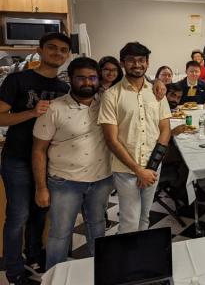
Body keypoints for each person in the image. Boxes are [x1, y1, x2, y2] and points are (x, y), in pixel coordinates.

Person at [0, 33, 71, 284]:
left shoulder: (64, 88)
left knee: (40, 212)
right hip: (18, 159)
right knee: (18, 215)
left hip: (49, 160)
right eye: (51, 48)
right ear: (40, 50)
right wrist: (31, 112)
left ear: (68, 55)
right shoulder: (17, 80)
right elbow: (0, 116)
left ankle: (34, 255)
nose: (57, 53)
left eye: (63, 50)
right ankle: (13, 269)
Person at [31, 57, 113, 270]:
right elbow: (38, 151)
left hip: (101, 180)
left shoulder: (106, 103)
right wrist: (41, 188)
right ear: (70, 79)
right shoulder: (53, 108)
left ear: (98, 79)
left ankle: (101, 273)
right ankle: (53, 278)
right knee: (60, 234)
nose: (87, 83)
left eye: (92, 77)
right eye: (81, 78)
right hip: (65, 182)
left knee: (97, 228)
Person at [98, 42, 171, 233]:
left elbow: (165, 130)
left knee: (145, 216)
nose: (137, 64)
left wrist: (151, 168)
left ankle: (141, 258)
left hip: (152, 167)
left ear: (147, 63)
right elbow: (111, 140)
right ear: (123, 63)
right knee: (130, 221)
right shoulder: (111, 95)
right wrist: (138, 170)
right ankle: (127, 261)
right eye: (131, 60)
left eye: (141, 60)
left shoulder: (157, 92)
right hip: (126, 170)